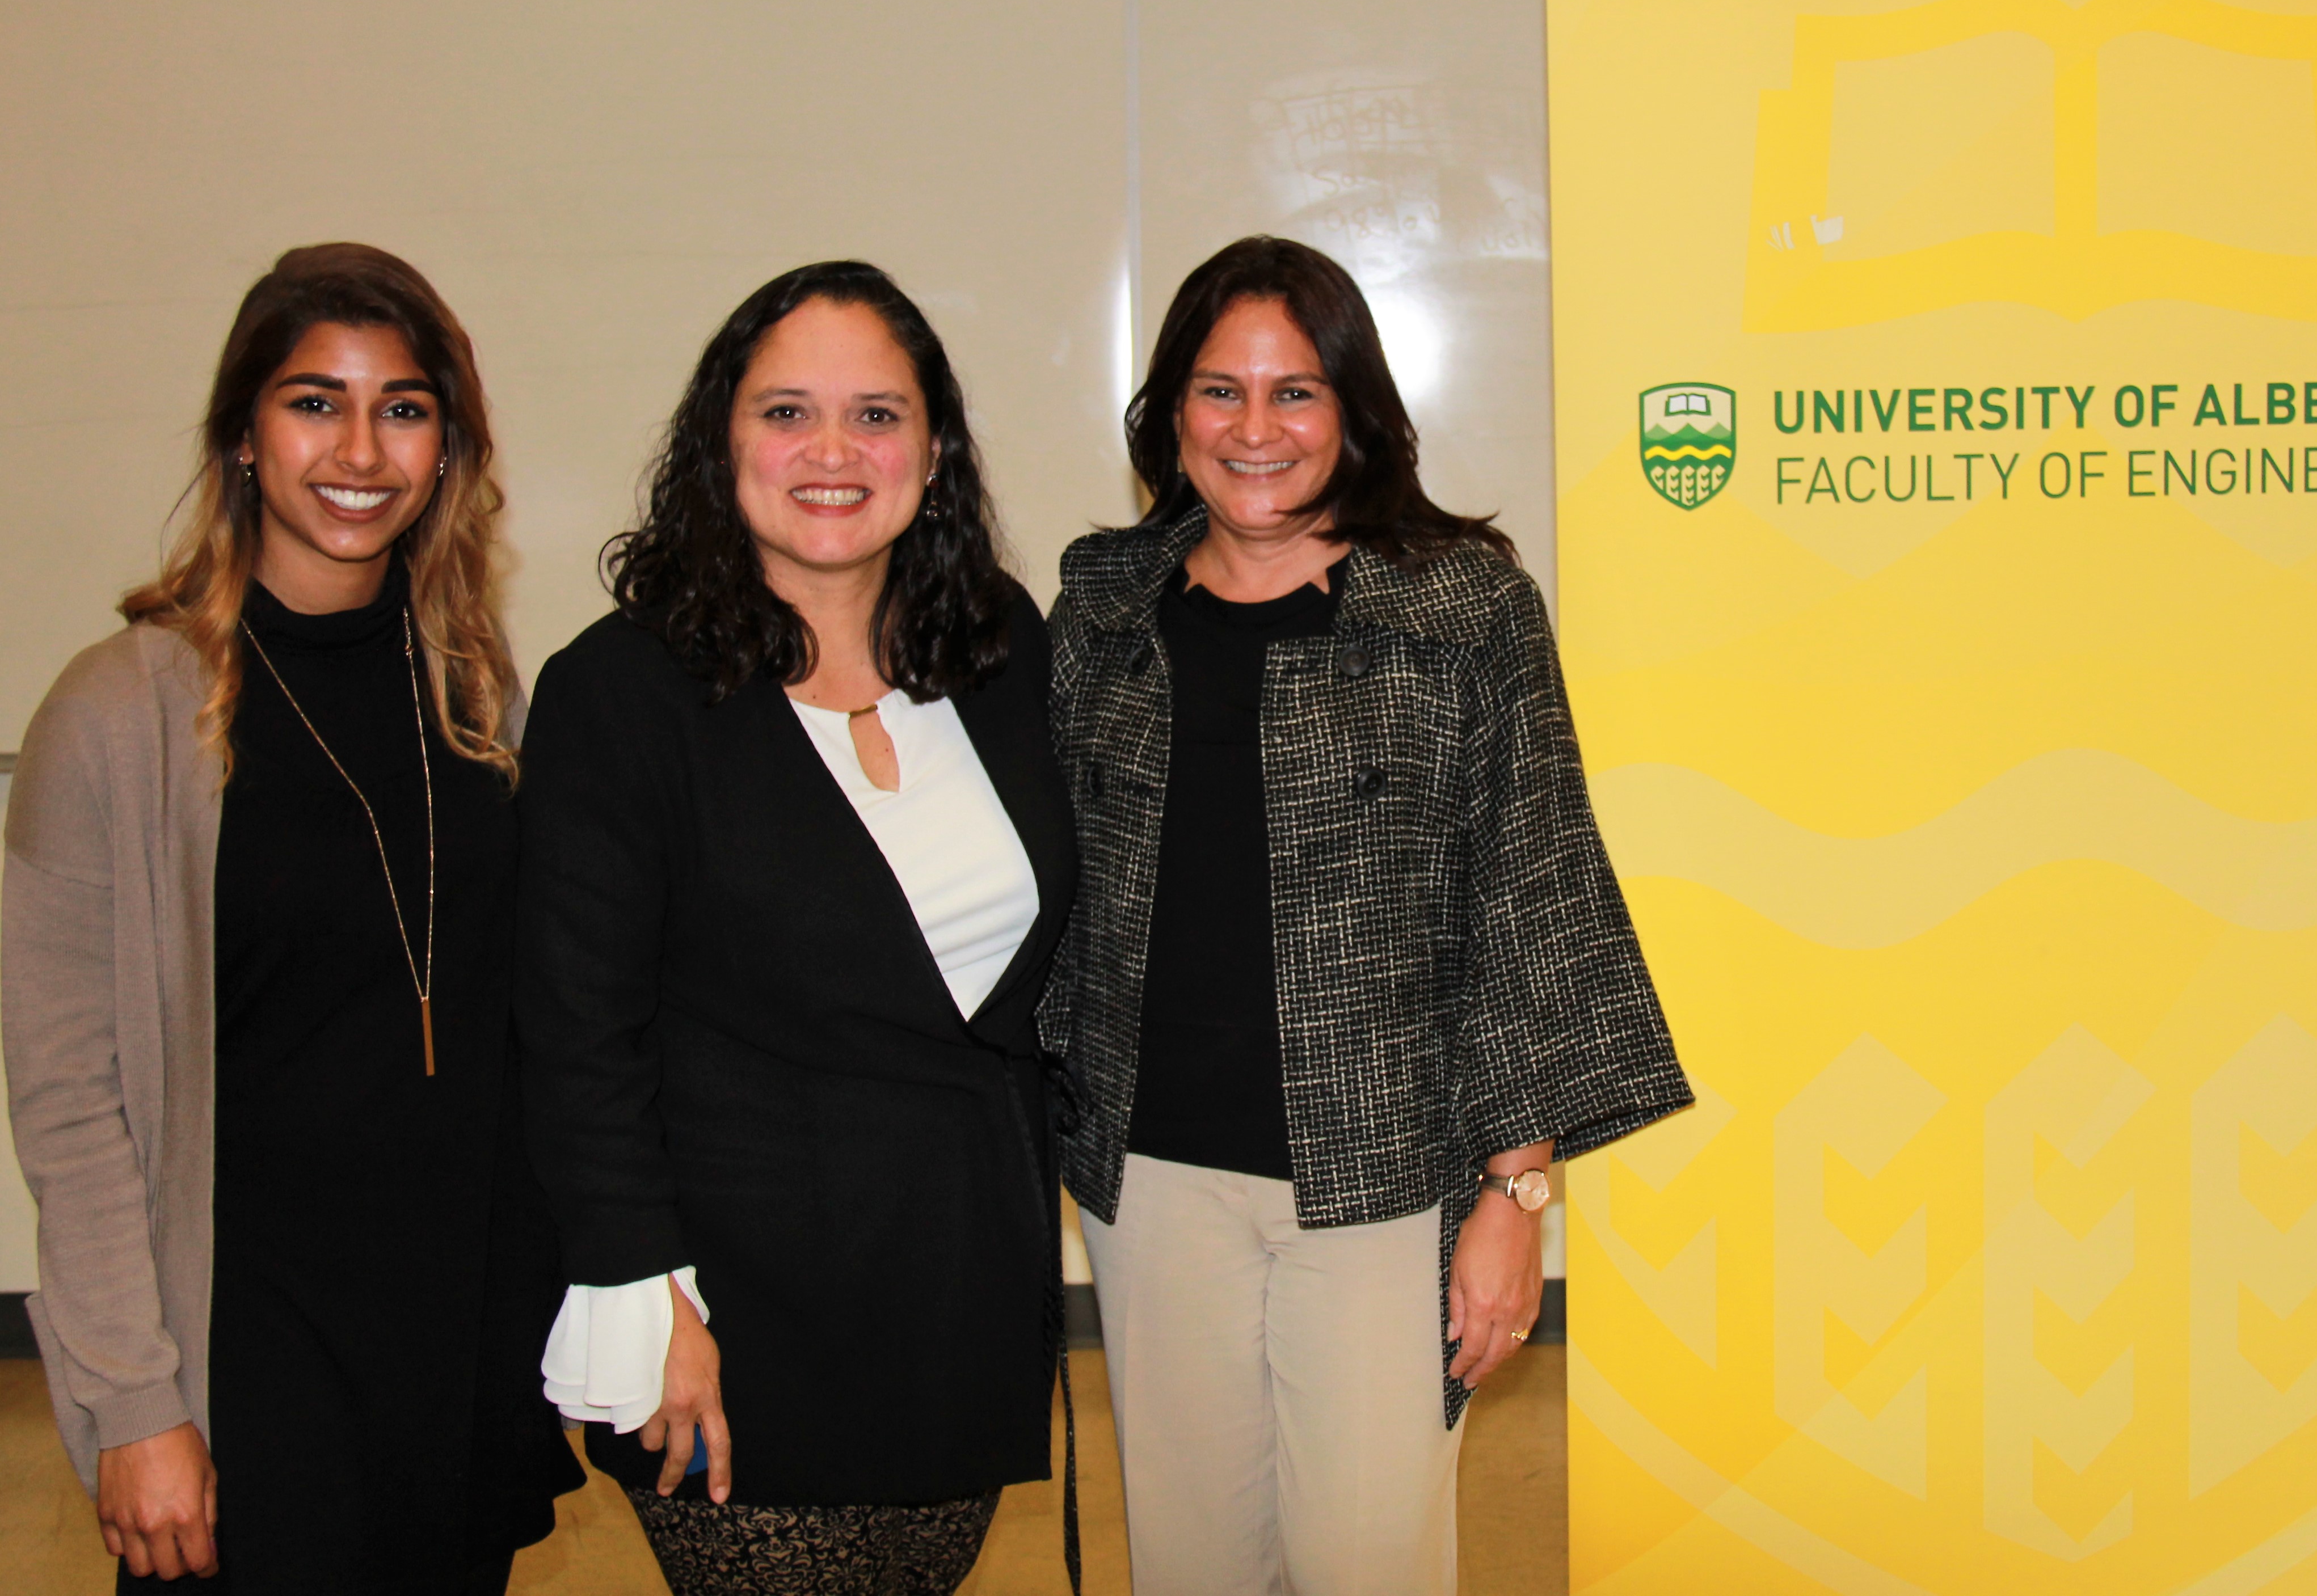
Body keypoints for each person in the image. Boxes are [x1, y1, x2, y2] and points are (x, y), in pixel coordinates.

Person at [1043, 235, 1693, 1594]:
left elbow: (1532, 894)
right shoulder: (1103, 608)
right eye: (1220, 392)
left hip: (1384, 1186)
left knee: (1368, 1564)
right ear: (1170, 414)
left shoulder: (1461, 607)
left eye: (1296, 393)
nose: (1256, 429)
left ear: (1355, 413)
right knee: (1192, 1564)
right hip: (1152, 1186)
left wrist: (1517, 1197)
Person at [2, 243, 582, 1593]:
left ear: (448, 449)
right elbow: (70, 1108)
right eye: (315, 402)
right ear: (244, 440)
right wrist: (136, 1406)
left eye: (405, 406)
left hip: (456, 1350)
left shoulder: (475, 702)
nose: (361, 448)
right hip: (249, 1368)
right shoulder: (121, 714)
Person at [516, 260, 1077, 1596]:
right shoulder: (622, 692)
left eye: (878, 415)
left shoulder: (1000, 647)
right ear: (722, 444)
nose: (834, 452)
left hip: (959, 1291)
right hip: (737, 1318)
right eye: (786, 413)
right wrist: (643, 1293)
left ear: (934, 452)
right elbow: (574, 1027)